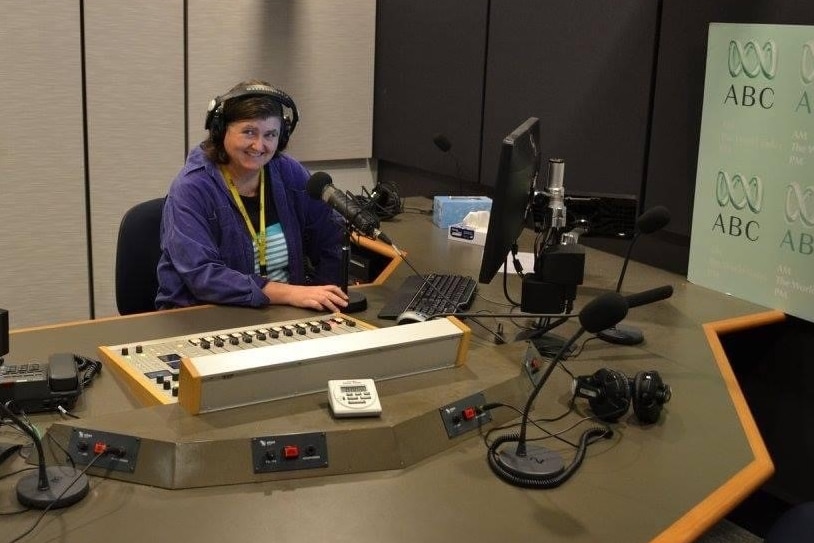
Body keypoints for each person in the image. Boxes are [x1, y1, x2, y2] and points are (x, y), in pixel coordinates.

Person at [156, 80, 349, 312]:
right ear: (220, 130)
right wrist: (290, 293)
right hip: (206, 314)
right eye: (249, 132)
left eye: (270, 134)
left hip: (284, 313)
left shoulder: (288, 172)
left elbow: (331, 240)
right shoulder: (191, 188)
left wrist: (323, 299)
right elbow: (203, 276)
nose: (259, 146)